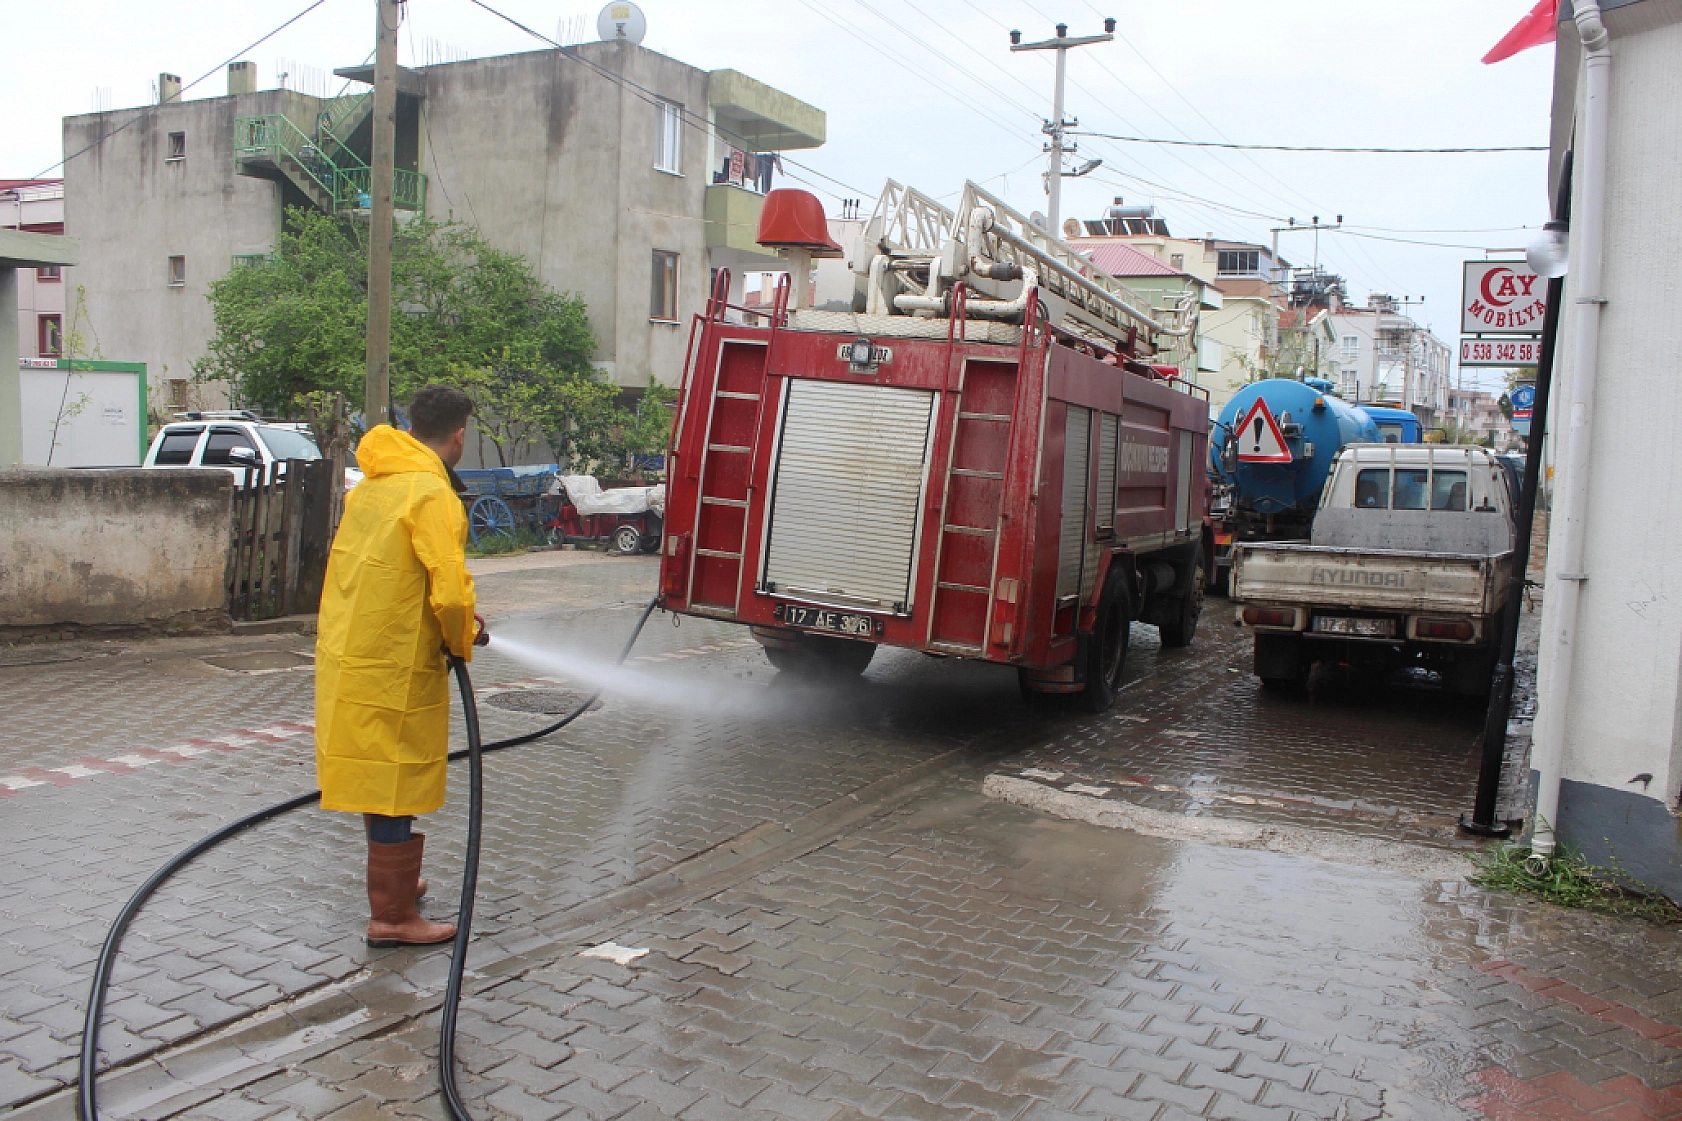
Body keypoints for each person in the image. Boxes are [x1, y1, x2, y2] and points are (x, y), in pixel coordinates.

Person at [314, 385, 486, 947]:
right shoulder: (432, 496)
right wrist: (463, 638)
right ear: (458, 436)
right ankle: (390, 918)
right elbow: (453, 596)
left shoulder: (373, 486)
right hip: (396, 662)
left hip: (353, 654)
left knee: (374, 772)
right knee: (394, 776)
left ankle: (399, 886)